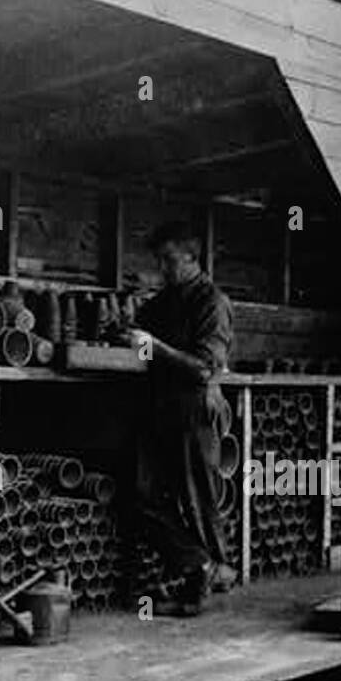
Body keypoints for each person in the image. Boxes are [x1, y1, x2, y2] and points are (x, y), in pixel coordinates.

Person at [124, 221, 236, 615]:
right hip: (158, 408)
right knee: (142, 495)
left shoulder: (212, 302)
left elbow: (205, 368)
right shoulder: (162, 302)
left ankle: (212, 575)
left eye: (169, 260)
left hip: (194, 407)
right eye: (159, 261)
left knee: (197, 494)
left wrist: (154, 348)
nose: (163, 268)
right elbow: (142, 345)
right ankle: (198, 564)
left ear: (192, 258)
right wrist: (125, 335)